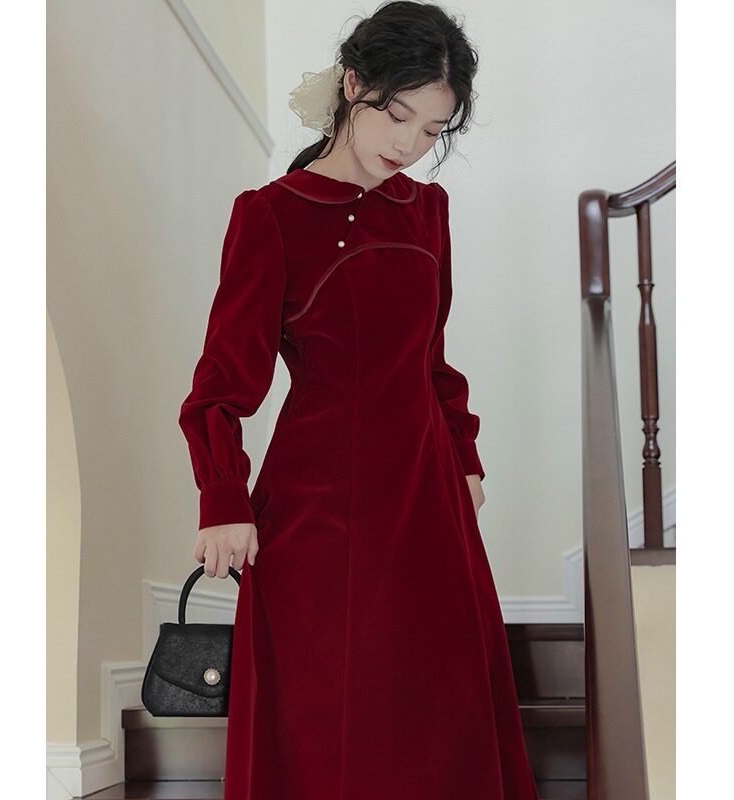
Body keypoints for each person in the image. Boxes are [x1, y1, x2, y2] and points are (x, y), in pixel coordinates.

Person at [178, 2, 541, 798]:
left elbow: (431, 357)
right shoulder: (271, 216)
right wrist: (222, 497)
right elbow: (221, 384)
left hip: (427, 498)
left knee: (436, 708)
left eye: (432, 130)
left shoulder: (429, 212)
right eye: (398, 115)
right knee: (328, 718)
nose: (409, 145)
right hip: (319, 508)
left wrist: (464, 457)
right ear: (353, 85)